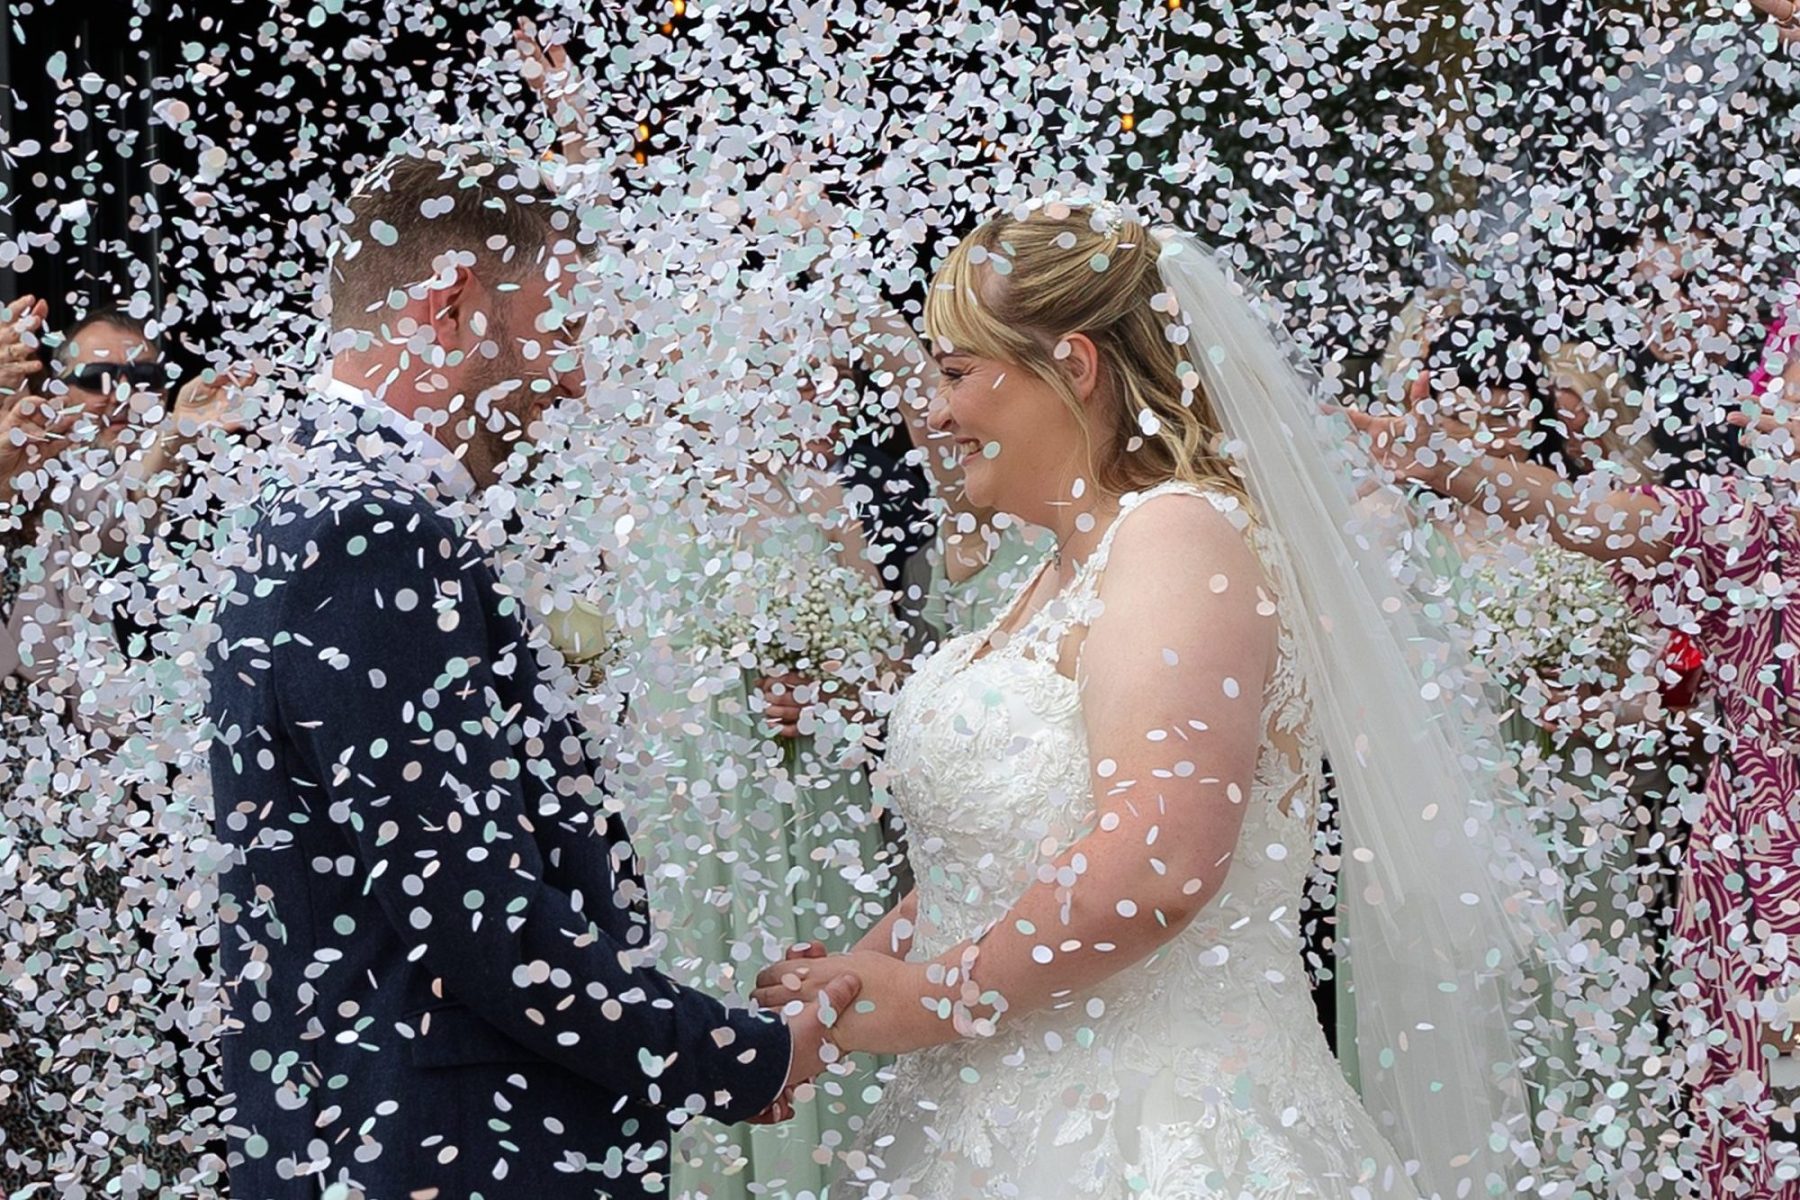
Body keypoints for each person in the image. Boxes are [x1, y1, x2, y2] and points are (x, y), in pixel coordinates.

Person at [753, 199, 1562, 1198]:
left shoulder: (1180, 538)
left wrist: (931, 1001)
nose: (932, 410)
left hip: (1151, 1136)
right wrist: (823, 1012)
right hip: (989, 1123)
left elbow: (1163, 857)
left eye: (958, 372)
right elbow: (1001, 858)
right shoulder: (1053, 567)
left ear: (1075, 369)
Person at [203, 147, 857, 1199]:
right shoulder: (371, 529)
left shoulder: (321, 501)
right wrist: (745, 1055)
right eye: (560, 326)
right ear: (451, 308)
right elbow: (473, 915)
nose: (575, 373)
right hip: (440, 1144)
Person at [1348, 358, 1799, 1196]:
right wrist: (1438, 463)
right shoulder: (1759, 525)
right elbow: (1603, 518)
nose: (1772, 402)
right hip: (1766, 888)